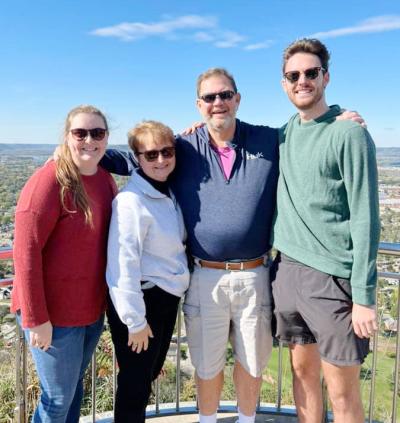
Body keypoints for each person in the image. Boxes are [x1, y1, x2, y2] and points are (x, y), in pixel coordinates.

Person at [100, 68, 362, 423]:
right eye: (210, 97)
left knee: (252, 362)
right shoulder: (181, 147)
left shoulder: (268, 139)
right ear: (199, 105)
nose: (218, 103)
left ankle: (246, 419)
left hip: (255, 274)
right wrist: (79, 151)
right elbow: (133, 157)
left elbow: (308, 129)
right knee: (206, 365)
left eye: (225, 95)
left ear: (238, 99)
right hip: (203, 277)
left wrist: (339, 119)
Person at [271, 38, 380, 423]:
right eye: (293, 75)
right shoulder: (283, 135)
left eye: (310, 73)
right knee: (302, 375)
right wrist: (196, 129)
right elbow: (231, 133)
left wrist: (364, 296)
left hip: (333, 280)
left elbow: (366, 217)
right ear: (284, 83)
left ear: (326, 77)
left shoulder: (348, 134)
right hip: (286, 272)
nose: (302, 81)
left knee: (342, 390)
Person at [12, 105, 117, 422]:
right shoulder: (48, 182)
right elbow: (25, 254)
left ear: (106, 138)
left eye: (97, 133)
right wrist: (35, 318)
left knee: (72, 393)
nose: (89, 140)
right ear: (67, 136)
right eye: (80, 133)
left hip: (89, 311)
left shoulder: (104, 179)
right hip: (52, 317)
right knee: (57, 400)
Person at [105, 121, 190, 422]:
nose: (161, 160)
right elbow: (122, 263)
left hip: (164, 299)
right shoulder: (130, 202)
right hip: (143, 303)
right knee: (134, 383)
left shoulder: (168, 192)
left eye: (167, 152)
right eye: (150, 154)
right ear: (137, 159)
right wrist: (134, 321)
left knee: (147, 374)